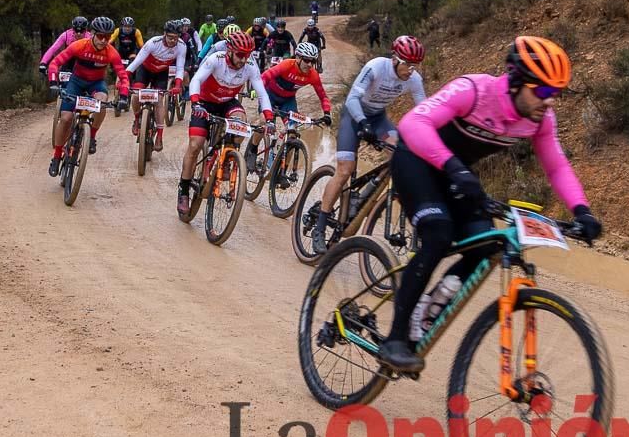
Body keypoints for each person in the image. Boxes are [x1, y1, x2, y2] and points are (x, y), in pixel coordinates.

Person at [376, 36, 602, 372]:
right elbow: (412, 123)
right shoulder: (475, 90)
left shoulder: (540, 118)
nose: (549, 100)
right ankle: (395, 337)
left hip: (456, 175)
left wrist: (581, 210)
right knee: (439, 234)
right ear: (515, 81)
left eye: (555, 93)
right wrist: (453, 165)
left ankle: (424, 313)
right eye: (541, 91)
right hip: (418, 160)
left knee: (483, 246)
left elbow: (556, 165)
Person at [313, 35, 428, 254]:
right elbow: (352, 98)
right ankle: (320, 226)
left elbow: (425, 113)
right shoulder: (376, 67)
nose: (411, 70)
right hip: (354, 115)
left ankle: (365, 197)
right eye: (408, 65)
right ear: (395, 59)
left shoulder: (414, 80)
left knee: (400, 156)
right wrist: (362, 123)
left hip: (377, 119)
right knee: (345, 170)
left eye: (415, 66)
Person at [178, 31, 273, 216]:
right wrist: (196, 102)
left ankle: (228, 158)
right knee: (195, 144)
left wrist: (268, 118)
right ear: (230, 50)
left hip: (228, 102)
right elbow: (196, 79)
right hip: (205, 102)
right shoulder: (216, 58)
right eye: (240, 55)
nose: (244, 60)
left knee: (240, 124)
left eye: (247, 55)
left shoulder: (250, 65)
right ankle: (183, 190)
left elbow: (262, 93)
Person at [45, 17, 129, 176]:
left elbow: (123, 77)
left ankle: (92, 137)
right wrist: (53, 82)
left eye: (108, 37)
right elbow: (55, 63)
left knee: (102, 102)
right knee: (66, 118)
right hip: (76, 82)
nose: (104, 40)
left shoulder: (111, 52)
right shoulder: (79, 45)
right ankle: (56, 156)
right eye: (100, 36)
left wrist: (123, 96)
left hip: (96, 83)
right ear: (92, 34)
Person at [250, 42, 332, 171]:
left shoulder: (313, 75)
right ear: (298, 58)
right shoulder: (287, 65)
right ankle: (252, 150)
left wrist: (327, 113)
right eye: (306, 60)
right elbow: (265, 76)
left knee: (292, 133)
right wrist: (257, 90)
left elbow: (323, 96)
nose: (310, 64)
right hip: (269, 97)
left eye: (313, 61)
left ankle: (282, 171)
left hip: (287, 101)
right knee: (263, 121)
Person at [124, 20, 187, 151]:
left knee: (159, 100)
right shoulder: (153, 42)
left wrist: (178, 84)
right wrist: (124, 78)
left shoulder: (181, 46)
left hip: (161, 73)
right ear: (164, 34)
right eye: (170, 37)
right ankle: (136, 119)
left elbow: (180, 67)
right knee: (136, 95)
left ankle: (159, 135)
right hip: (145, 70)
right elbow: (137, 61)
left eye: (176, 38)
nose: (173, 41)